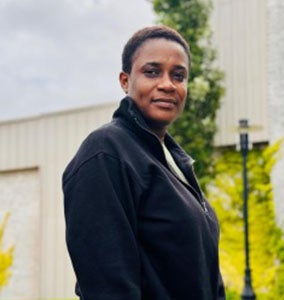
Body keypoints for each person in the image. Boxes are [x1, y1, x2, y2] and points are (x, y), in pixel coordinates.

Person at [63, 25, 226, 300]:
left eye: (179, 75)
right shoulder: (106, 152)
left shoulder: (174, 163)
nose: (167, 84)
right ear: (125, 81)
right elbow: (108, 287)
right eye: (152, 72)